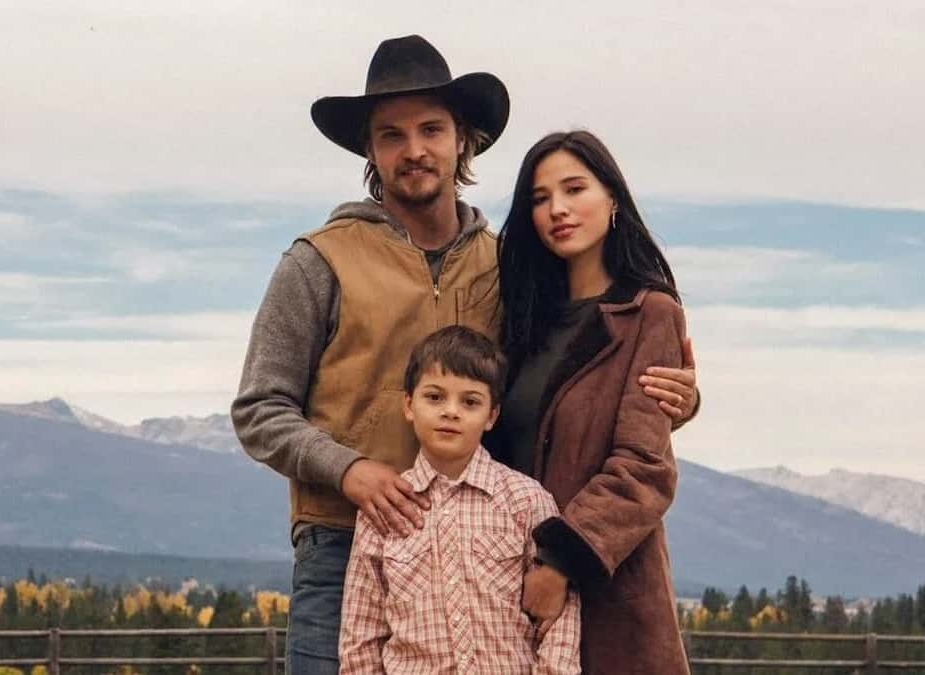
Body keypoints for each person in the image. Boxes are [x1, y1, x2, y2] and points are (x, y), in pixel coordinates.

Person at [231, 35, 697, 674]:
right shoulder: (318, 262)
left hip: (487, 548)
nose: (414, 149)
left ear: (463, 141)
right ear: (370, 150)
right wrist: (349, 470)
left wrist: (676, 400)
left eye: (431, 129)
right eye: (391, 135)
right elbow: (260, 408)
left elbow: (568, 372)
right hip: (344, 545)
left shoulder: (505, 271)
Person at [492, 129, 693, 673]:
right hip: (509, 590)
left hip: (608, 589)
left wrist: (561, 561)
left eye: (574, 188)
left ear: (612, 201)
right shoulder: (517, 321)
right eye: (539, 198)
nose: (557, 208)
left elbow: (644, 467)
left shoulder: (650, 314)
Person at [339, 326, 581, 674]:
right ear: (409, 404)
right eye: (435, 397)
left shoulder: (527, 501)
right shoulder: (386, 507)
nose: (451, 412)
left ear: (492, 416)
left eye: (470, 401)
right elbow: (361, 634)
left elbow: (561, 623)